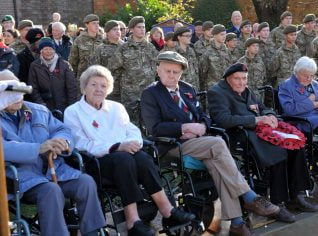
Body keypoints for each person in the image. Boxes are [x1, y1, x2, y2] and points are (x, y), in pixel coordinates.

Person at [141, 51, 295, 236]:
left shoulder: (186, 88)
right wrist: (185, 127)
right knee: (218, 143)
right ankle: (249, 196)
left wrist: (201, 125)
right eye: (168, 71)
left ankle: (237, 223)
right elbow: (154, 128)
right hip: (173, 145)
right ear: (158, 70)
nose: (172, 76)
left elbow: (205, 116)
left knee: (218, 165)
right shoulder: (151, 93)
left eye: (176, 72)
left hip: (201, 140)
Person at [64, 65, 195, 236]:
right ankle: (133, 220)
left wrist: (132, 144)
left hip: (126, 158)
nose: (99, 89)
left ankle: (167, 210)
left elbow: (132, 130)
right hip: (95, 162)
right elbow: (81, 144)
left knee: (142, 157)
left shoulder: (116, 108)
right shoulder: (73, 112)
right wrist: (116, 147)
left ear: (109, 89)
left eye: (103, 86)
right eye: (93, 84)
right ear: (84, 87)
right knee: (123, 159)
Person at [0, 70, 105, 236]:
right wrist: (38, 148)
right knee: (51, 191)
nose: (17, 96)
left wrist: (62, 142)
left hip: (55, 170)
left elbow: (63, 129)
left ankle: (93, 233)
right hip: (21, 178)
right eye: (10, 92)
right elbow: (3, 148)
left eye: (19, 90)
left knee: (86, 182)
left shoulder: (38, 111)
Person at [208, 62, 318, 212]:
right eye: (237, 79)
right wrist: (256, 120)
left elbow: (264, 108)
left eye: (244, 78)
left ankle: (296, 196)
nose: (242, 82)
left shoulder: (247, 90)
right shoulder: (217, 92)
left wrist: (270, 116)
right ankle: (278, 203)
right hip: (239, 135)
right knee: (278, 151)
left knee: (295, 146)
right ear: (228, 78)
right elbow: (223, 119)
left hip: (261, 132)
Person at [111, 16, 158, 123]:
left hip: (148, 91)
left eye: (143, 27)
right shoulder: (123, 48)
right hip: (130, 94)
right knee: (131, 122)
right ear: (132, 29)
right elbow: (113, 69)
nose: (142, 30)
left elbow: (158, 66)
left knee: (149, 120)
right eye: (139, 27)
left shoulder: (150, 47)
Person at [27, 37, 78, 111]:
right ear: (41, 51)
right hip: (45, 106)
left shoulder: (64, 65)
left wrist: (71, 107)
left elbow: (72, 87)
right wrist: (41, 103)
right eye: (45, 49)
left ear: (54, 51)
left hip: (63, 105)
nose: (48, 52)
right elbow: (33, 87)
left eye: (51, 49)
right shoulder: (35, 66)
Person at [92, 20, 124, 102]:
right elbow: (95, 69)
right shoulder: (100, 48)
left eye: (119, 29)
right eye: (114, 29)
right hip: (108, 90)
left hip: (126, 89)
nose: (118, 31)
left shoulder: (126, 47)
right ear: (107, 32)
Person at [69, 14, 103, 79]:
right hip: (84, 77)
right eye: (94, 23)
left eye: (98, 23)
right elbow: (73, 61)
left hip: (100, 77)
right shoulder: (79, 40)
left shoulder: (103, 39)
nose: (97, 26)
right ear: (87, 25)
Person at [200, 24, 232, 91]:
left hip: (226, 86)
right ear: (214, 35)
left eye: (225, 34)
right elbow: (203, 73)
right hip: (213, 87)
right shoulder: (207, 52)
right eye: (221, 34)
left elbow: (230, 68)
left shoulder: (226, 51)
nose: (224, 37)